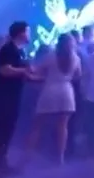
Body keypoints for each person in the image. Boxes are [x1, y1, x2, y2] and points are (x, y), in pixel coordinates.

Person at [0, 21, 35, 178]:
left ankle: (1, 164)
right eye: (28, 31)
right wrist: (24, 71)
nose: (29, 34)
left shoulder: (20, 51)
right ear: (21, 33)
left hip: (12, 95)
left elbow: (22, 73)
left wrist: (38, 77)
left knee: (7, 130)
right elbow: (4, 70)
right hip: (1, 95)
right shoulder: (8, 49)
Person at [27, 33, 80, 164]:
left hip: (50, 91)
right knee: (63, 126)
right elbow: (78, 76)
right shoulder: (75, 58)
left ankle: (27, 156)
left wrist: (28, 69)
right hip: (66, 91)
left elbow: (36, 70)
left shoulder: (50, 56)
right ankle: (60, 157)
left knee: (37, 125)